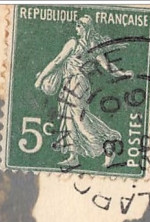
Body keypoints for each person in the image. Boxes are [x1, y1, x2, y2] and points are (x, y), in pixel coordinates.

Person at [34, 16, 132, 168]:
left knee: (79, 119)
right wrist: (122, 73)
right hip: (70, 83)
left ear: (85, 28)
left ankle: (107, 143)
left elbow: (57, 61)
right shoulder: (88, 44)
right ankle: (74, 156)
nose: (76, 29)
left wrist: (40, 79)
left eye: (79, 26)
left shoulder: (77, 43)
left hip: (78, 83)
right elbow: (107, 66)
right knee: (69, 118)